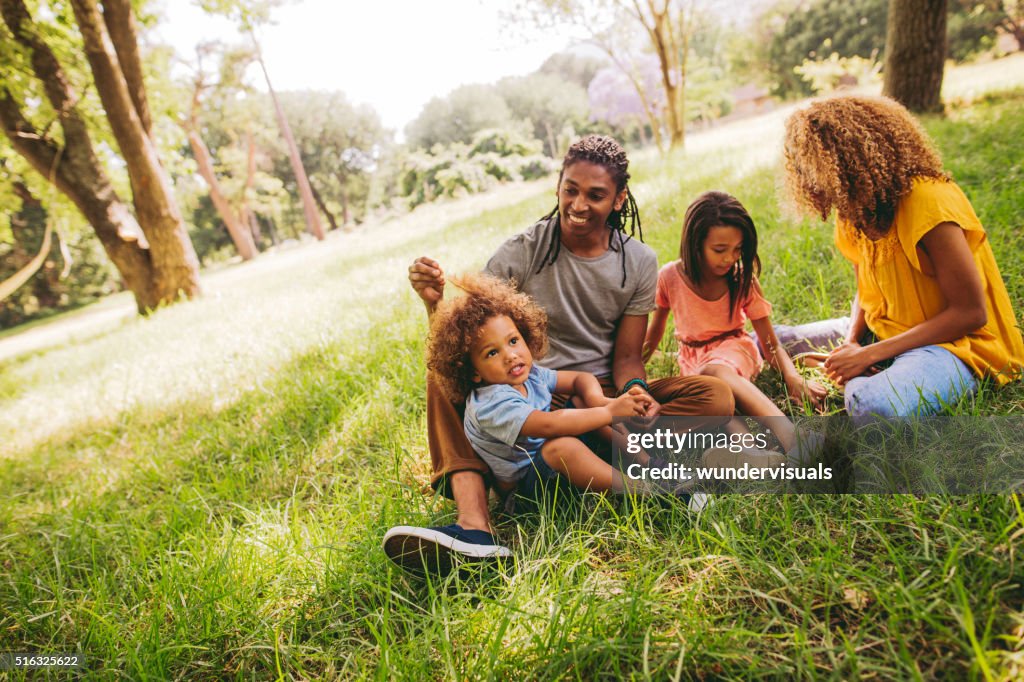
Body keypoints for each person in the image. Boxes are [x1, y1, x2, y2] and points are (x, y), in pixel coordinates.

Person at [384, 135, 734, 574]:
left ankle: (624, 458)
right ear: (558, 185)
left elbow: (627, 357)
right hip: (526, 396)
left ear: (619, 198)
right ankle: (474, 524)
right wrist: (434, 302)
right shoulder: (523, 252)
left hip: (596, 398)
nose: (579, 204)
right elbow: (468, 339)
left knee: (715, 397)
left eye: (596, 195)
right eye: (570, 189)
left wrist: (634, 395)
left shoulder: (638, 261)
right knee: (443, 378)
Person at [779, 95, 1024, 419]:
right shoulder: (853, 211)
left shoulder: (928, 203)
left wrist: (868, 356)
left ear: (849, 161)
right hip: (886, 332)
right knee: (767, 339)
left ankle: (854, 398)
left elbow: (971, 313)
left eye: (815, 168)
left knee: (870, 404)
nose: (810, 183)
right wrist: (853, 342)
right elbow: (866, 291)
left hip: (954, 346)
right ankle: (866, 366)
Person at [428, 272, 678, 499]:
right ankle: (648, 492)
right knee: (562, 446)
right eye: (492, 353)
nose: (510, 355)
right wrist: (610, 411)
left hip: (549, 465)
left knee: (581, 403)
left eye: (513, 341)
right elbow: (550, 424)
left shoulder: (530, 375)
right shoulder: (491, 403)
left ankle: (649, 464)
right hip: (526, 491)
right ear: (473, 373)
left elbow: (580, 379)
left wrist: (599, 401)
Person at [642, 190, 827, 456]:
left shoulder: (741, 279)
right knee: (721, 405)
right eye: (720, 250)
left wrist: (793, 378)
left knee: (715, 373)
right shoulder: (669, 277)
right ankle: (756, 456)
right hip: (692, 360)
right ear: (695, 244)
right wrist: (631, 375)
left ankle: (794, 436)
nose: (730, 258)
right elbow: (654, 334)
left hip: (733, 350)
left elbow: (770, 343)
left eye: (737, 249)